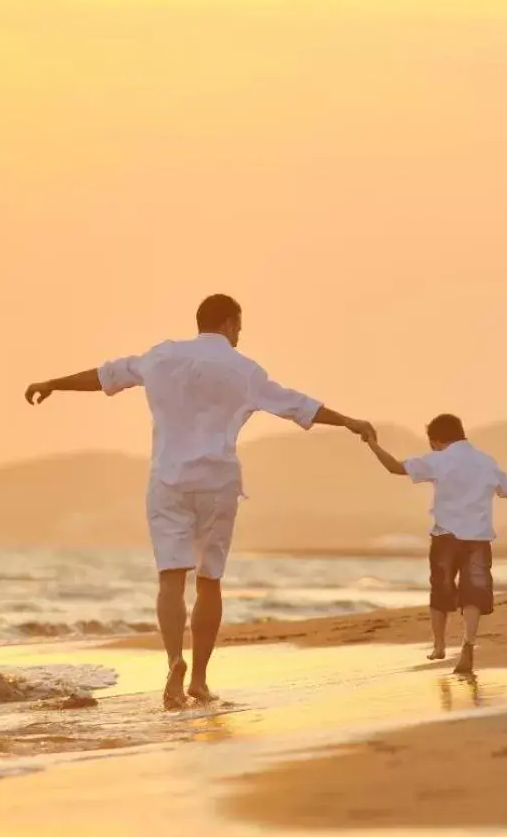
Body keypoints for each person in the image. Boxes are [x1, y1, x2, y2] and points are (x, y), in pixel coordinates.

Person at [23, 293, 375, 708]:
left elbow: (104, 376)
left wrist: (52, 384)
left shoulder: (160, 358)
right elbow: (298, 406)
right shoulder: (244, 370)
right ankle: (201, 680)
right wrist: (349, 421)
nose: (240, 335)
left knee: (170, 579)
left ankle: (175, 661)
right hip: (217, 483)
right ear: (228, 324)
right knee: (209, 582)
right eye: (239, 327)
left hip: (168, 481)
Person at [363, 414, 507, 675]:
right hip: (478, 539)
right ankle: (468, 643)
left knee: (441, 591)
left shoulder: (438, 459)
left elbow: (395, 467)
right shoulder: (485, 461)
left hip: (446, 537)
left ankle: (439, 645)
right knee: (473, 594)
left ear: (437, 441)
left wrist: (372, 444)